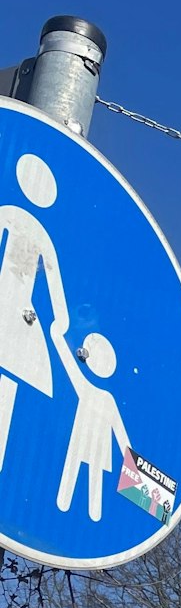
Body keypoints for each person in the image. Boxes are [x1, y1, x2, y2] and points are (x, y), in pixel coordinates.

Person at [0, 154, 63, 472]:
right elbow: (57, 294)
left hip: (22, 316)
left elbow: (54, 282)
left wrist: (60, 323)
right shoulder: (13, 216)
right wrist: (60, 323)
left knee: (9, 381)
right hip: (17, 310)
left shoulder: (26, 224)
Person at [53, 327, 130, 522]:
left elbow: (120, 433)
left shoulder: (104, 397)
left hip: (95, 445)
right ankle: (71, 508)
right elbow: (71, 368)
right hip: (82, 440)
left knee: (92, 478)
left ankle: (87, 514)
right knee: (77, 473)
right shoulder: (97, 393)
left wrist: (134, 469)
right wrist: (57, 339)